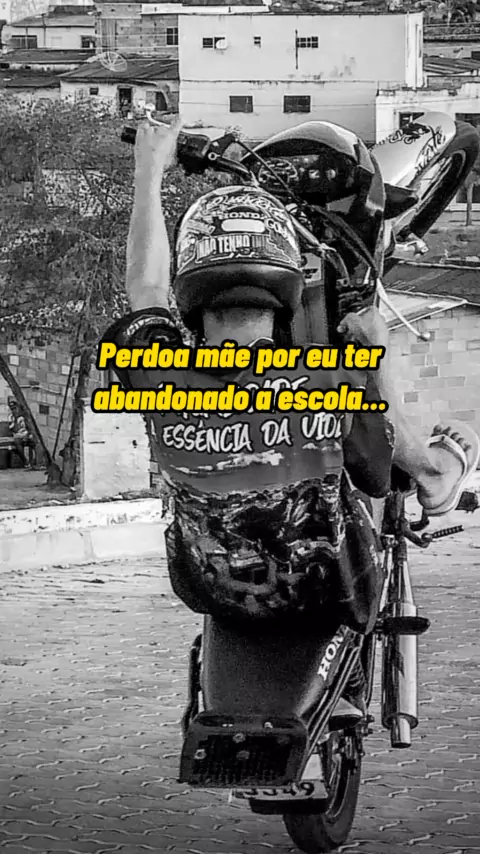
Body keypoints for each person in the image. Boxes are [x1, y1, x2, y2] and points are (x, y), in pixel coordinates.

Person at [103, 120, 479, 719]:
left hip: (207, 587)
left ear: (191, 295)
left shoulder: (153, 371)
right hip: (328, 589)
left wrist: (149, 167)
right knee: (387, 474)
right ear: (285, 291)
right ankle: (440, 473)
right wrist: (373, 353)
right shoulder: (331, 380)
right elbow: (379, 476)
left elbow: (144, 288)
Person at [7, 396, 35, 470]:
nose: (14, 410)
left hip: (26, 435)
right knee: (17, 443)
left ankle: (37, 462)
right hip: (18, 436)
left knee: (36, 443)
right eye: (12, 409)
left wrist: (28, 435)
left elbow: (30, 427)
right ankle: (25, 461)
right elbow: (13, 429)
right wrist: (15, 420)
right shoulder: (11, 417)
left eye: (15, 408)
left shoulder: (24, 417)